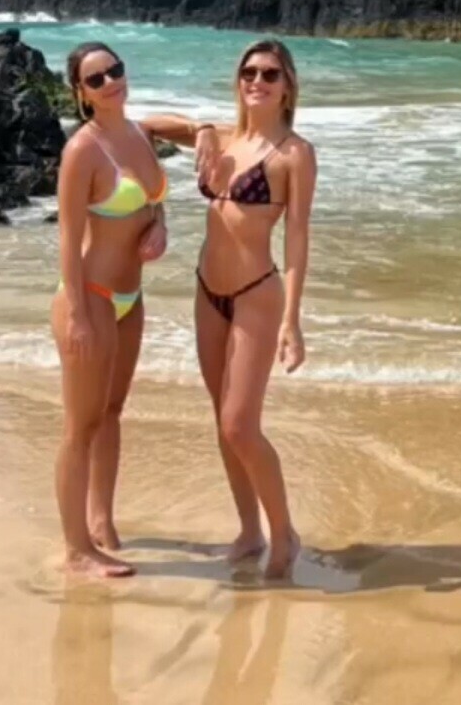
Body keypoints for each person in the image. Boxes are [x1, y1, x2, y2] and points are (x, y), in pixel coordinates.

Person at [142, 38, 316, 579]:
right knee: (223, 421)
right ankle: (249, 530)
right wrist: (198, 128)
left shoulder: (294, 154)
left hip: (255, 294)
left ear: (287, 87)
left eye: (269, 73)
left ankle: (283, 533)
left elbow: (297, 240)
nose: (257, 81)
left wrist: (292, 321)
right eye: (248, 72)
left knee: (241, 424)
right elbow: (144, 127)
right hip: (207, 292)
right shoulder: (221, 137)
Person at [51, 41, 168, 579]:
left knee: (113, 412)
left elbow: (152, 201)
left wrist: (160, 225)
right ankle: (76, 550)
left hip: (130, 298)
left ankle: (101, 521)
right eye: (95, 79)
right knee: (81, 426)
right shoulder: (83, 150)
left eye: (114, 70)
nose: (110, 82)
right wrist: (76, 314)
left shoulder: (140, 135)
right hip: (90, 297)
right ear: (81, 93)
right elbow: (68, 236)